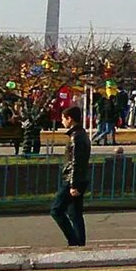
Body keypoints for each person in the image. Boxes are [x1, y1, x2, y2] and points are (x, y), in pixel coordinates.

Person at [51, 105, 90, 247]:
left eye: (63, 119)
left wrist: (73, 185)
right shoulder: (81, 134)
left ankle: (73, 240)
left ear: (70, 119)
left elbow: (76, 162)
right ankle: (80, 243)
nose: (62, 121)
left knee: (56, 210)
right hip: (80, 179)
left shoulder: (76, 137)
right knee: (75, 213)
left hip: (71, 180)